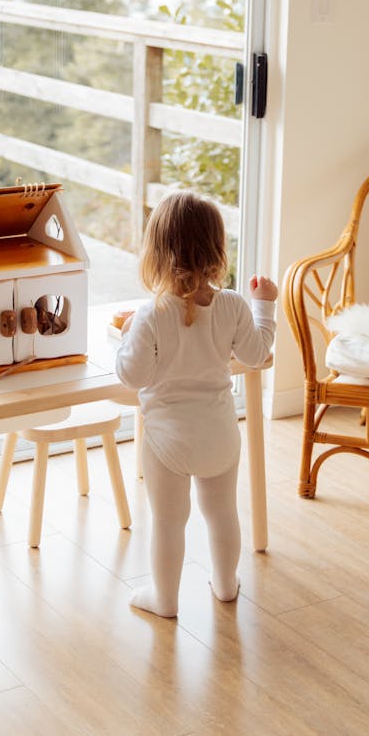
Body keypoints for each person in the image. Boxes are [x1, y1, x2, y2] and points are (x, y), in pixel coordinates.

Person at [115, 190, 277, 618]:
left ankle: (164, 600)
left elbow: (132, 376)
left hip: (169, 443)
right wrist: (266, 305)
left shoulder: (152, 314)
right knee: (222, 512)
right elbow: (256, 355)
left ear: (156, 253)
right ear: (217, 250)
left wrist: (130, 334)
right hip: (221, 435)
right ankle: (225, 585)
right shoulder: (234, 306)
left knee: (169, 522)